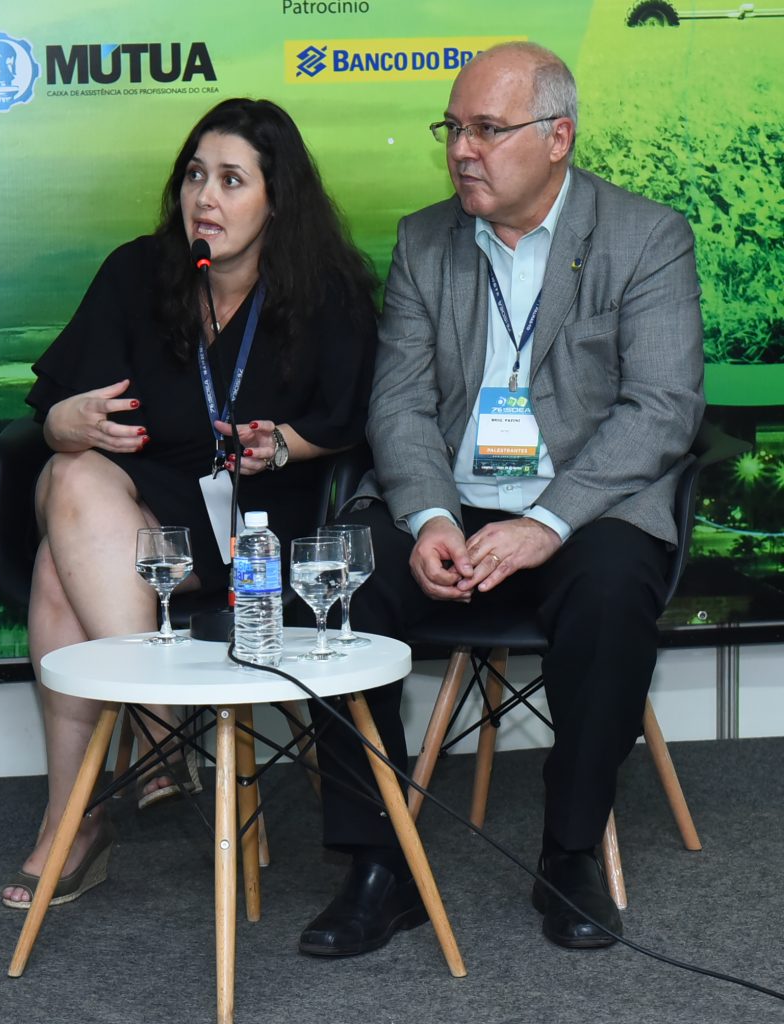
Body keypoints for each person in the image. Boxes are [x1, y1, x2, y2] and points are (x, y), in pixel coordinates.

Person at [299, 41, 705, 955]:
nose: (461, 151)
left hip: (585, 506)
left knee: (610, 591)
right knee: (338, 587)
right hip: (452, 498)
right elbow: (399, 403)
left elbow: (662, 407)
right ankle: (378, 866)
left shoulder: (645, 236)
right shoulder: (424, 240)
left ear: (558, 138)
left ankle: (570, 853)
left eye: (487, 129)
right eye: (453, 129)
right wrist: (432, 518)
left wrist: (547, 523)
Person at [1, 98, 378, 908]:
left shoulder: (330, 292)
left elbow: (351, 419)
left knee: (59, 573)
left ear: (277, 199)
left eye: (232, 180)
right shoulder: (138, 274)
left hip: (263, 527)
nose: (205, 197)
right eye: (194, 176)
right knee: (70, 473)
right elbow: (57, 413)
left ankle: (80, 818)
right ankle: (158, 729)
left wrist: (283, 443)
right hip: (144, 522)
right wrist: (65, 422)